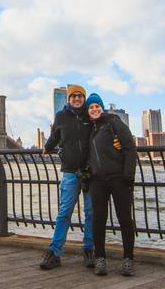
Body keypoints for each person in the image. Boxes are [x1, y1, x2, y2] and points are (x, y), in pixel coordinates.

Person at [39, 84, 95, 270]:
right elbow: (55, 135)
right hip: (70, 172)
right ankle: (54, 252)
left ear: (84, 98)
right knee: (64, 214)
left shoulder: (90, 115)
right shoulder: (61, 116)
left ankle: (89, 250)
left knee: (91, 213)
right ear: (69, 99)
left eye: (80, 96)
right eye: (74, 96)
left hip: (90, 172)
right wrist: (46, 147)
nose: (77, 99)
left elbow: (105, 129)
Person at [84, 93, 137, 277]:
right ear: (88, 111)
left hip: (119, 178)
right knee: (98, 220)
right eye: (91, 107)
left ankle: (128, 260)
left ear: (102, 107)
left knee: (125, 220)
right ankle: (100, 259)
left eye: (97, 106)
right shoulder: (89, 129)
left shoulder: (113, 122)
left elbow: (130, 148)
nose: (94, 109)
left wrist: (128, 175)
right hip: (97, 180)